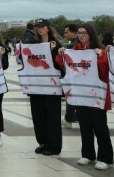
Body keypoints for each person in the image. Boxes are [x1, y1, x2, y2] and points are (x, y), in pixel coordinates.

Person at [57, 24, 112, 171]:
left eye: (85, 33)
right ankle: (88, 155)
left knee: (100, 127)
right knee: (85, 126)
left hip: (97, 96)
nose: (81, 35)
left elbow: (105, 70)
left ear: (91, 34)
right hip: (81, 96)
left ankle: (105, 157)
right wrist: (61, 54)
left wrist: (100, 57)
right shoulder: (75, 50)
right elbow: (65, 67)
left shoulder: (100, 49)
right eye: (80, 33)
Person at [17, 18, 63, 155]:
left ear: (48, 28)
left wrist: (55, 51)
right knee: (38, 116)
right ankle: (42, 142)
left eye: (42, 27)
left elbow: (60, 64)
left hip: (52, 87)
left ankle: (54, 146)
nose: (40, 29)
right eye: (38, 27)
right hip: (36, 87)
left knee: (52, 117)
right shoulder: (33, 43)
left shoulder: (56, 44)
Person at [62, 23, 79, 128]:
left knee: (71, 96)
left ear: (74, 33)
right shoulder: (74, 44)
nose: (65, 34)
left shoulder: (73, 45)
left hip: (75, 76)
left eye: (66, 32)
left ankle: (70, 117)